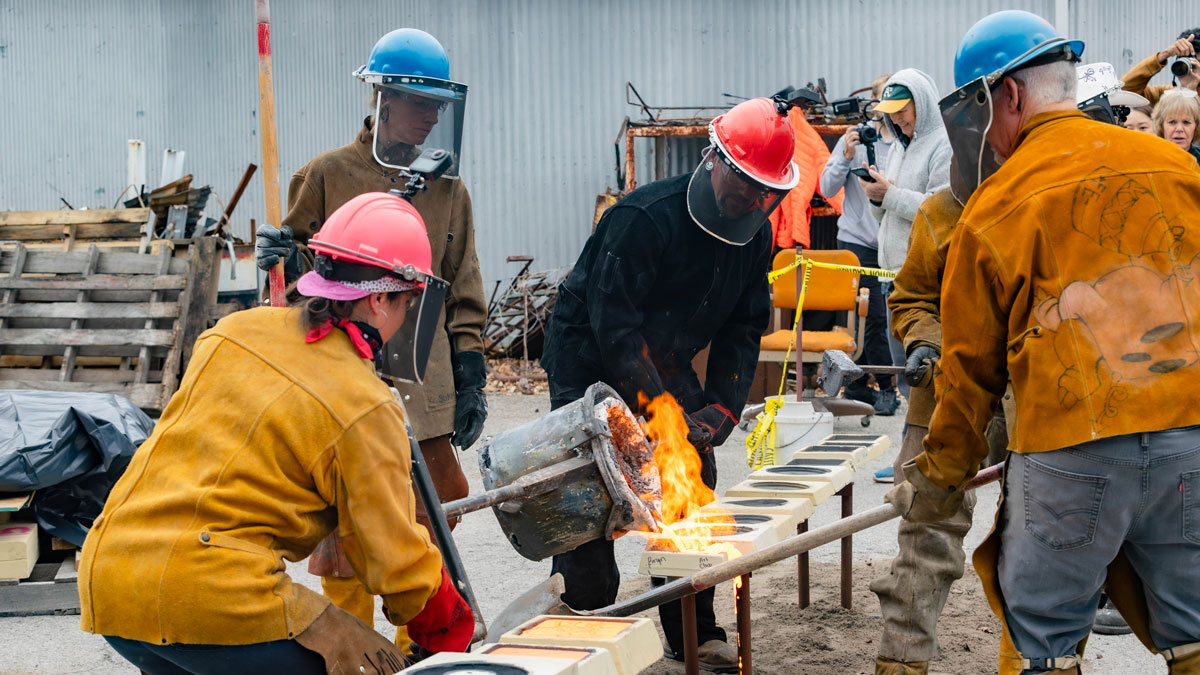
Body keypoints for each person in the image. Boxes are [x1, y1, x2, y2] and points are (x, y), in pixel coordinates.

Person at [891, 9, 1200, 675]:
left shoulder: (997, 203)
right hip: (1192, 440)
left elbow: (969, 371)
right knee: (1195, 631)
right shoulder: (1177, 167)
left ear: (1006, 95)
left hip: (1072, 446)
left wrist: (941, 473)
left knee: (1046, 639)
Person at [78, 193, 473, 675]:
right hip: (208, 596)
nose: (405, 316)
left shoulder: (230, 332)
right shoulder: (365, 403)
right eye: (406, 303)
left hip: (111, 581)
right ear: (378, 298)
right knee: (371, 665)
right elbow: (390, 556)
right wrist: (443, 618)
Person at [540, 97, 798, 672]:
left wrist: (722, 408)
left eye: (764, 192)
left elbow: (743, 326)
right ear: (713, 159)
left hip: (665, 352)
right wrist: (662, 419)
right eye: (744, 183)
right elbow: (616, 331)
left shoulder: (755, 238)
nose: (752, 201)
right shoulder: (643, 219)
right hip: (590, 352)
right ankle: (582, 627)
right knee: (591, 487)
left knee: (693, 478)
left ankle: (694, 630)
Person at [254, 28, 488, 637]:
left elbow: (462, 281)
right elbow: (296, 280)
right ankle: (354, 651)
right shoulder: (327, 175)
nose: (431, 118)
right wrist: (281, 258)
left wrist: (471, 370)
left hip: (423, 377)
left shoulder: (448, 188)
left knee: (432, 514)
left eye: (438, 106)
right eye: (420, 103)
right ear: (383, 98)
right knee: (346, 521)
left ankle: (419, 649)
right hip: (343, 372)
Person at [860, 68, 952, 478]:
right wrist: (877, 197)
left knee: (925, 370)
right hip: (892, 273)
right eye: (891, 112)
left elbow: (942, 209)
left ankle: (928, 458)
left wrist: (890, 194)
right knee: (907, 373)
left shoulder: (943, 146)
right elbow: (890, 214)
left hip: (925, 279)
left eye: (903, 109)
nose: (897, 118)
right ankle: (913, 455)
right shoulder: (900, 146)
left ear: (924, 102)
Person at [819, 74, 897, 415]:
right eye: (883, 99)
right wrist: (845, 156)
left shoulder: (904, 143)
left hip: (892, 241)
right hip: (856, 241)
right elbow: (826, 187)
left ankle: (871, 385)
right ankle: (876, 386)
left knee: (885, 318)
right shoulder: (854, 139)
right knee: (866, 316)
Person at [1121, 29, 1199, 106]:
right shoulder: (1166, 96)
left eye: (1197, 62)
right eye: (1186, 63)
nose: (1191, 69)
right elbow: (1124, 91)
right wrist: (1164, 54)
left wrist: (1189, 92)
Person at [1152, 88, 1200, 164]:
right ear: (1161, 125)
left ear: (1196, 126)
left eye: (1186, 122)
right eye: (1172, 122)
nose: (1179, 129)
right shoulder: (1150, 160)